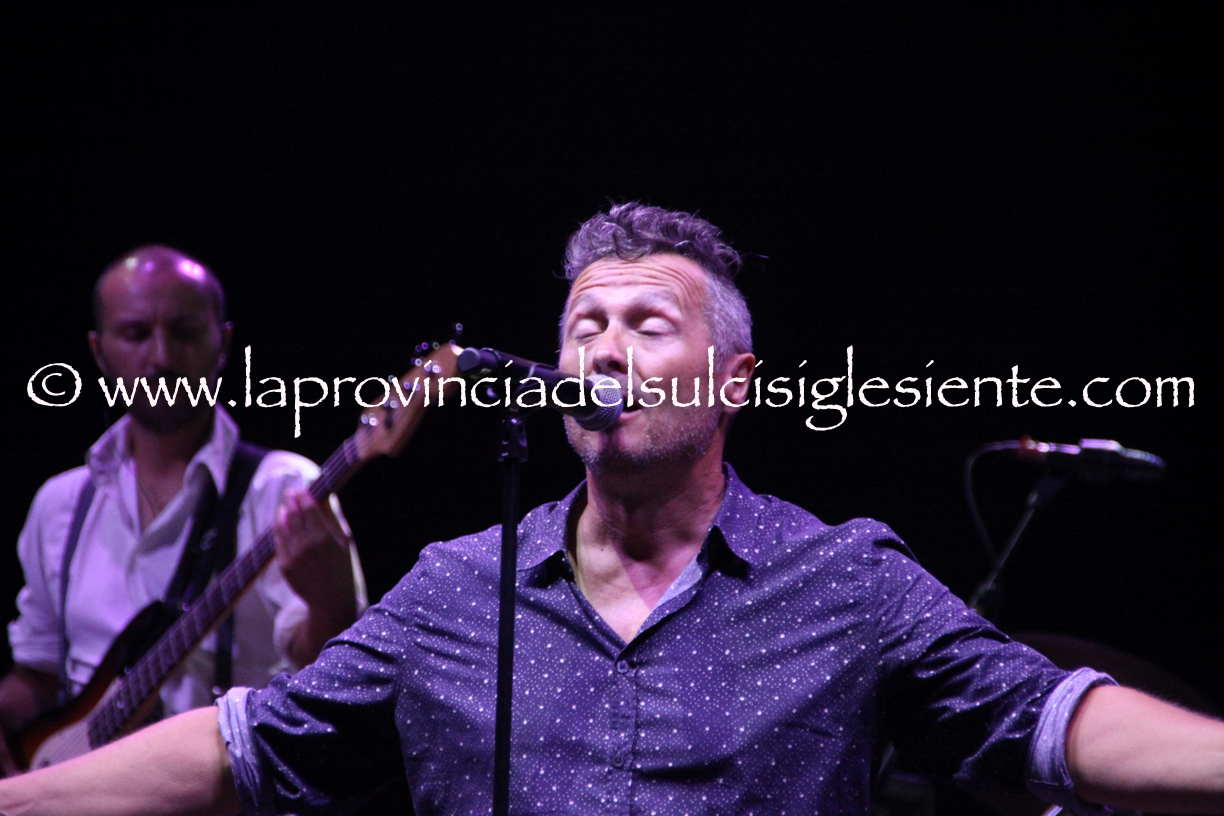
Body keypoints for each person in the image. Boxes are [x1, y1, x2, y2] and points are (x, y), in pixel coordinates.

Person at [1, 207, 1222, 815]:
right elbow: (241, 744)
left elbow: (1054, 717)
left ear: (731, 379)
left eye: (647, 323)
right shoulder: (456, 585)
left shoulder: (845, 577)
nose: (605, 347)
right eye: (585, 324)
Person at [0, 246, 367, 776]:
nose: (161, 358)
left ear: (224, 344)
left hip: (222, 794)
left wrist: (332, 602)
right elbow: (36, 678)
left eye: (185, 332)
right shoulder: (61, 503)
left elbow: (333, 682)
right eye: (135, 334)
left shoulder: (284, 489)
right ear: (99, 353)